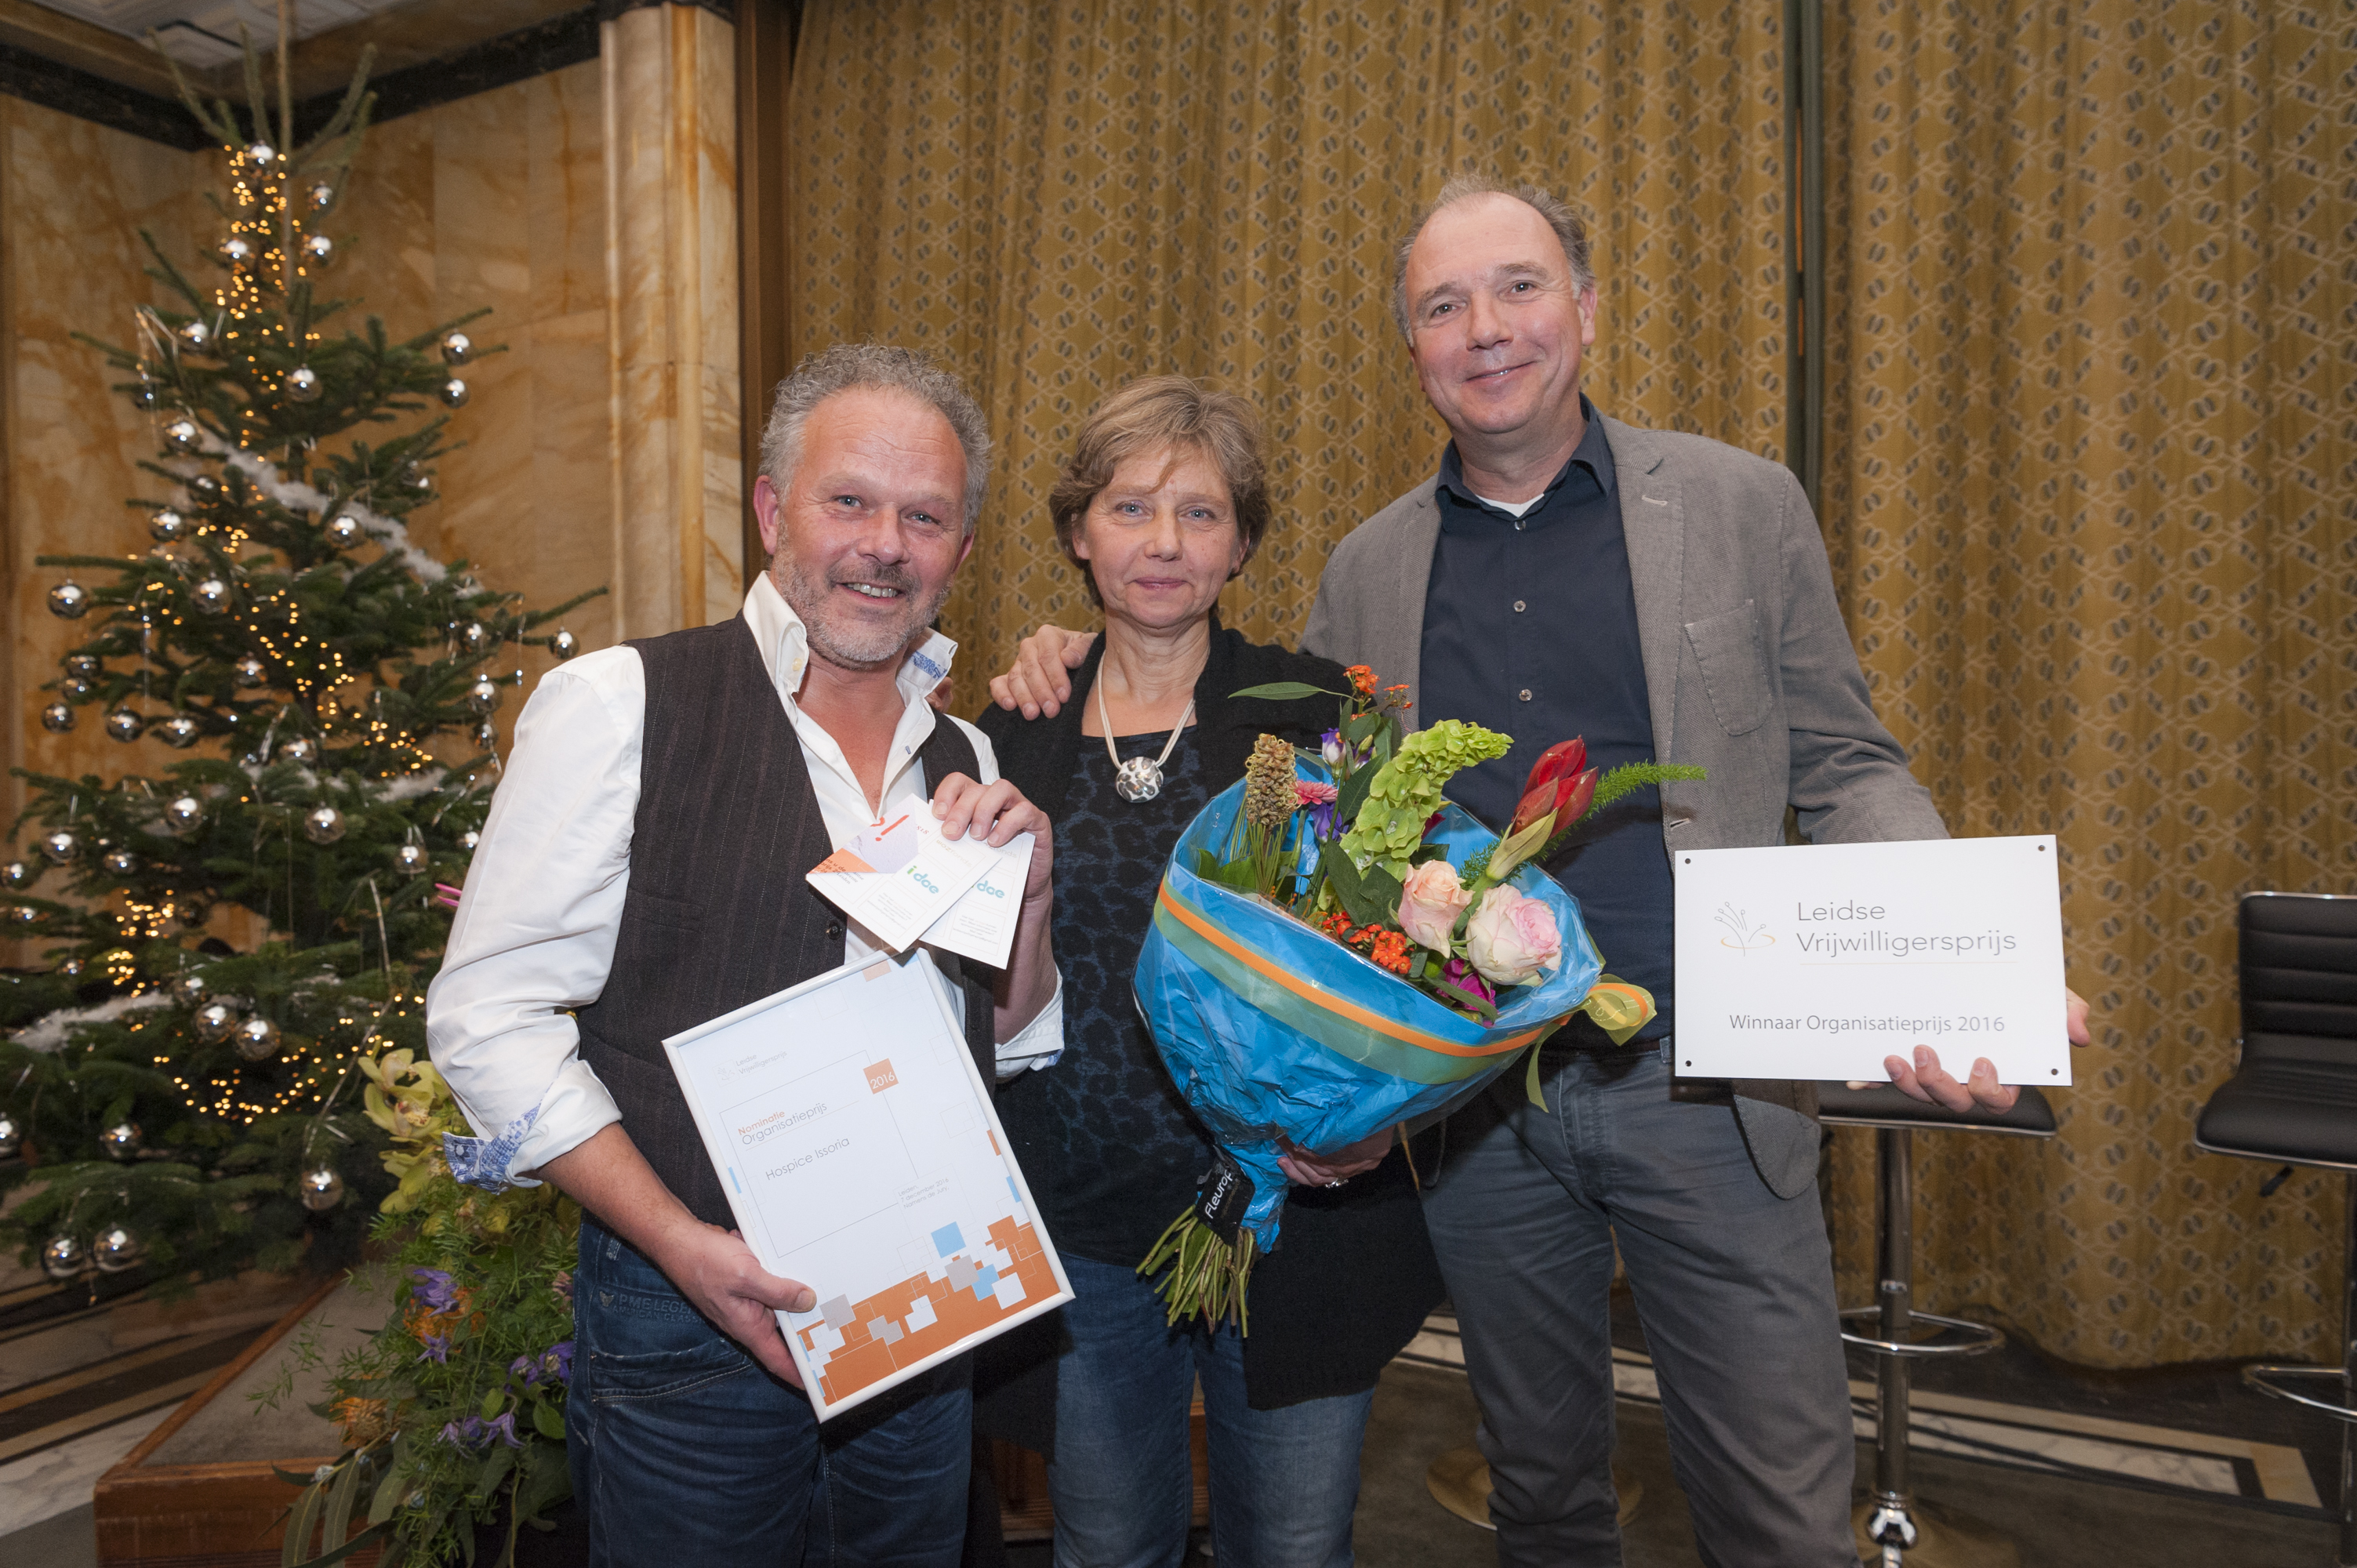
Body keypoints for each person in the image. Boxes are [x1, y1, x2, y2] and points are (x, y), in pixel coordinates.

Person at [987, 177, 2094, 1566]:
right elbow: (1320, 852)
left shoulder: (1741, 507)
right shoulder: (1368, 570)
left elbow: (1846, 766)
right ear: (1411, 349)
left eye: (1517, 287)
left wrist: (1955, 962)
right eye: (1442, 305)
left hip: (1708, 1085)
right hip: (1473, 1114)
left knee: (1778, 1516)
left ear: (1585, 306)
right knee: (1542, 1500)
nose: (1485, 328)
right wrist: (1061, 653)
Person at [427, 344, 1065, 1567]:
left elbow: (1008, 1040)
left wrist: (1028, 905)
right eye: (849, 501)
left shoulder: (968, 758)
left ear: (961, 550)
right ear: (773, 513)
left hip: (924, 1305)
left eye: (924, 517)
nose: (885, 545)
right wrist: (677, 1244)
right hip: (685, 1312)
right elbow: (487, 1020)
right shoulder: (622, 704)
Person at [970, 375, 1444, 1568]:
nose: (1165, 543)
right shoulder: (1009, 728)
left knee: (1292, 1547)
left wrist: (1369, 1124)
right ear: (1079, 535)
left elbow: (1405, 961)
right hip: (1080, 1220)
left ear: (1240, 545)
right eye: (1130, 509)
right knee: (1103, 1544)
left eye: (1200, 513)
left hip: (1294, 1213)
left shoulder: (1315, 715)